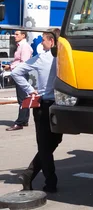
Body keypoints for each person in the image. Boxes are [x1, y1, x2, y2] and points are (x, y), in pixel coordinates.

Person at [12, 30, 62, 193]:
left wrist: (29, 89)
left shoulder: (42, 58)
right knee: (51, 143)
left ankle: (30, 175)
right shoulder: (63, 58)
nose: (41, 43)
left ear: (52, 42)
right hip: (57, 105)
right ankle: (44, 179)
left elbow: (16, 72)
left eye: (43, 40)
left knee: (46, 145)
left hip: (44, 106)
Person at [4, 30, 34, 131]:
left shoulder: (24, 46)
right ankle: (24, 120)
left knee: (22, 99)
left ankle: (20, 122)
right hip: (18, 74)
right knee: (23, 97)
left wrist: (11, 67)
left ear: (23, 35)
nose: (15, 36)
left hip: (21, 74)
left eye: (17, 34)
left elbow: (24, 63)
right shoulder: (20, 46)